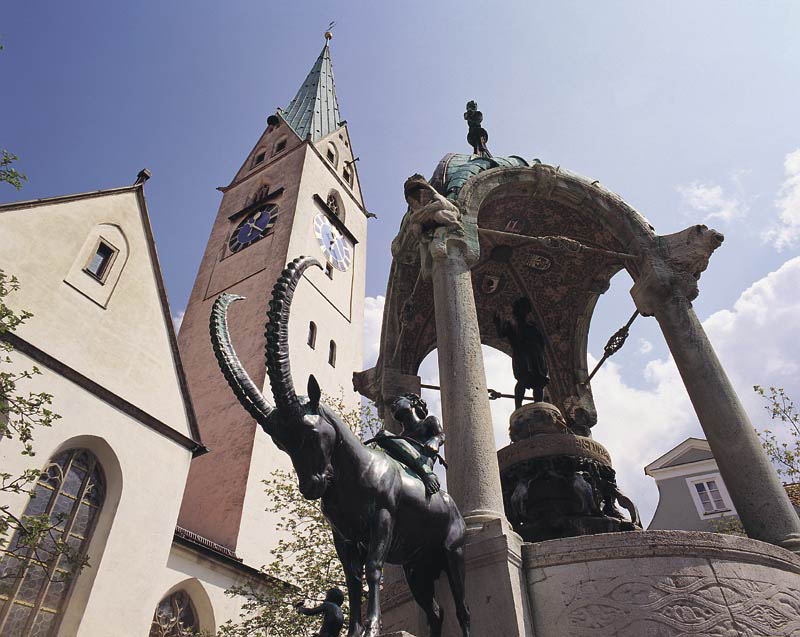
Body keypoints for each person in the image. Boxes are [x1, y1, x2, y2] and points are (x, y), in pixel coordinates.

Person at [371, 393, 445, 496]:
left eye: (397, 401)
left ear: (413, 402)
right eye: (392, 406)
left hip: (423, 461)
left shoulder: (428, 422)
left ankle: (427, 474)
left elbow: (441, 434)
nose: (393, 406)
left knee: (383, 435)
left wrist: (435, 440)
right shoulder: (401, 437)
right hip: (406, 465)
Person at [494, 297, 550, 409]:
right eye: (521, 309)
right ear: (516, 310)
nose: (523, 312)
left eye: (525, 309)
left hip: (536, 356)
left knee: (539, 383)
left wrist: (540, 355)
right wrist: (497, 322)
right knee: (523, 380)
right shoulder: (511, 324)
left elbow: (542, 341)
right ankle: (518, 407)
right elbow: (501, 334)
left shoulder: (532, 325)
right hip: (522, 356)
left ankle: (539, 406)